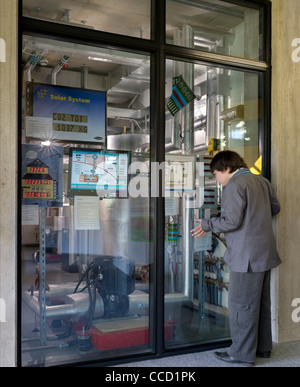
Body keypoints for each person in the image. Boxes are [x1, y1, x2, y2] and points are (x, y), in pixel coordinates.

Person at [191, 150, 281, 367]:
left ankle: (241, 354)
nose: (217, 180)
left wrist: (206, 224)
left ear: (225, 169)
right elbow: (275, 208)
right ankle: (263, 348)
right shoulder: (262, 182)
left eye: (216, 174)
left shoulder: (234, 186)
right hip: (265, 253)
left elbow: (231, 222)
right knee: (261, 303)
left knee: (242, 305)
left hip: (246, 256)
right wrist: (255, 217)